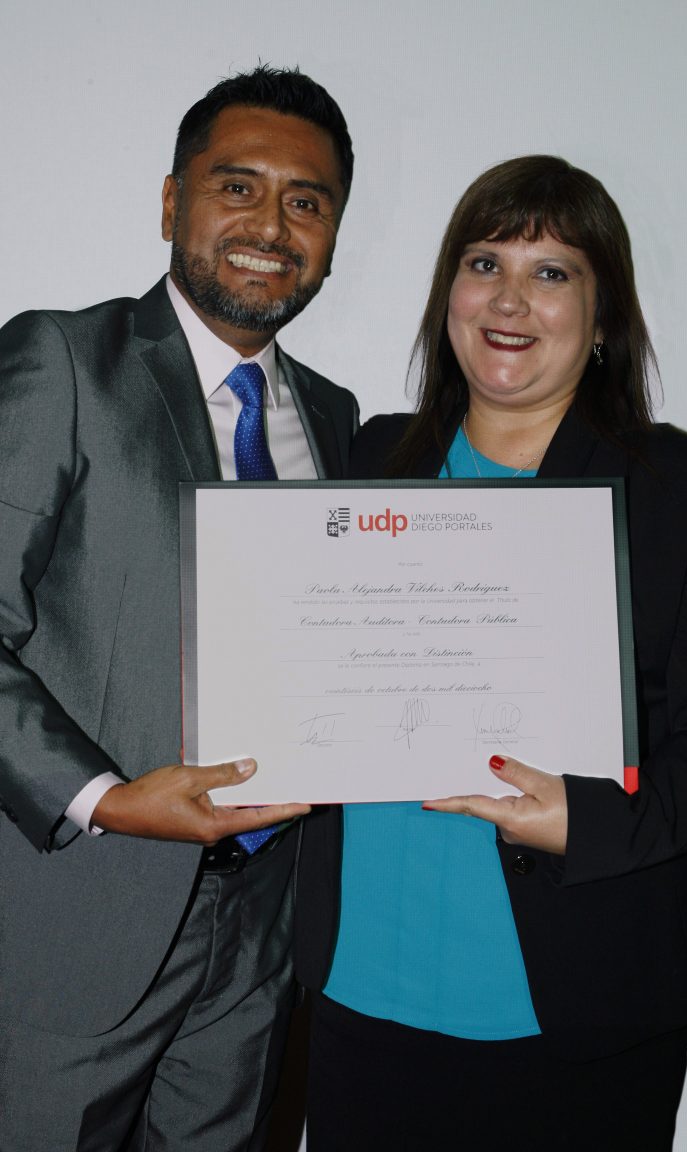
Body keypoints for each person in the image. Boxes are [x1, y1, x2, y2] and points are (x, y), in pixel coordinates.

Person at [295, 155, 687, 1151]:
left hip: (579, 1022)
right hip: (353, 1000)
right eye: (485, 263)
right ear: (449, 297)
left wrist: (590, 819)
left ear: (602, 320)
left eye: (552, 272)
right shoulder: (364, 461)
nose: (510, 299)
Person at [0, 65, 358, 1151]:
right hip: (72, 921)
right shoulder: (63, 360)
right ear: (172, 202)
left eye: (306, 201)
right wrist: (106, 799)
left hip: (261, 937)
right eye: (237, 187)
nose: (271, 227)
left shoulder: (337, 419)